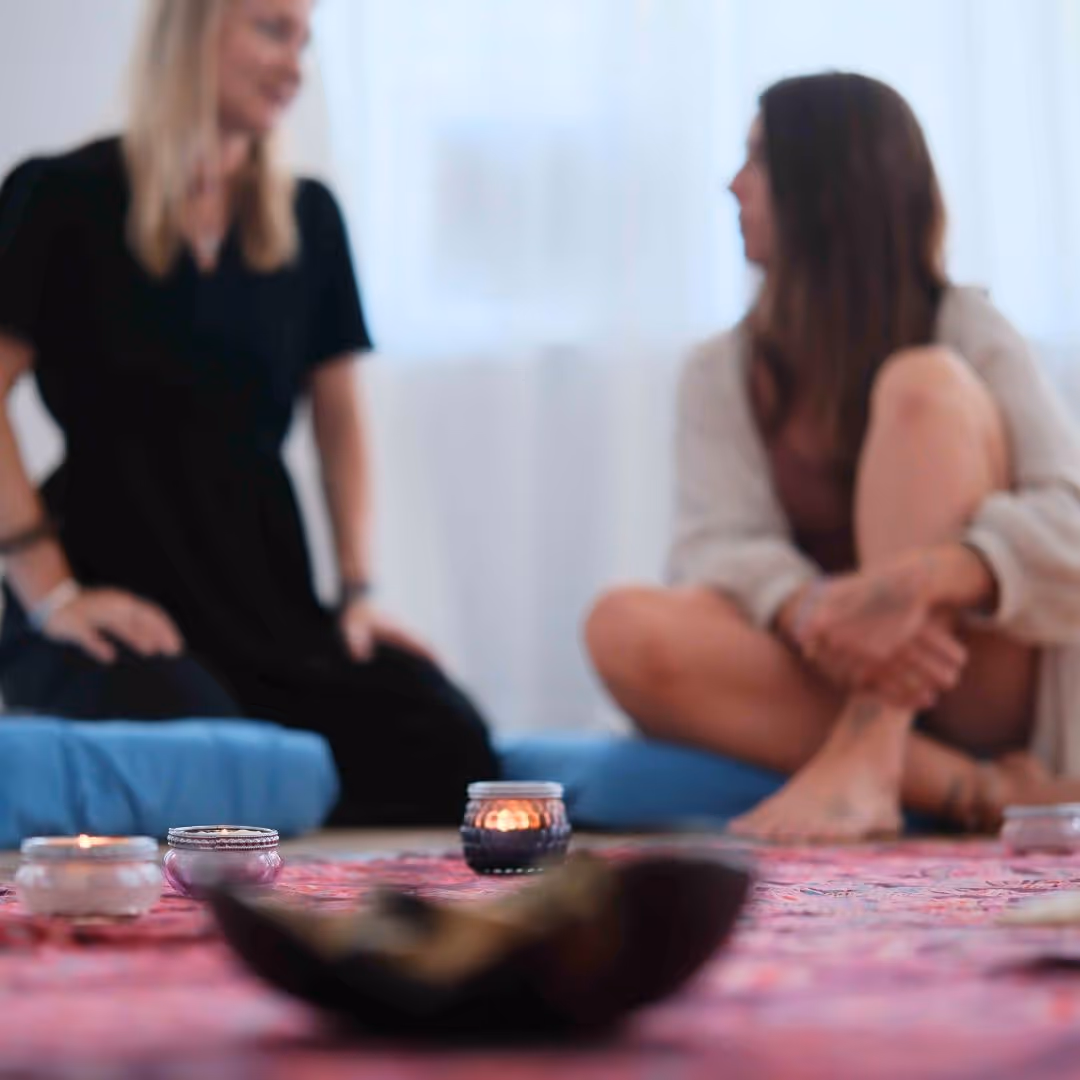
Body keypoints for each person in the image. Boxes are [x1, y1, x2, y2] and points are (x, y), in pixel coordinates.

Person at [0, 0, 498, 825]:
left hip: (263, 597)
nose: (295, 66)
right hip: (109, 585)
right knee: (208, 754)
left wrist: (359, 594)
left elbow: (340, 423)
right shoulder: (58, 196)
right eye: (272, 30)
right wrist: (53, 594)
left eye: (305, 41)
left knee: (450, 743)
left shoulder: (309, 216)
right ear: (193, 27)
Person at [585, 72, 1080, 843]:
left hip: (974, 683)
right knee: (619, 624)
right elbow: (711, 551)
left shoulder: (966, 328)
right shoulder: (720, 371)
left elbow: (1070, 521)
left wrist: (925, 580)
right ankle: (968, 788)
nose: (732, 185)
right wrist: (809, 608)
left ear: (827, 188)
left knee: (923, 386)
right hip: (825, 672)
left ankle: (875, 747)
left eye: (759, 160)